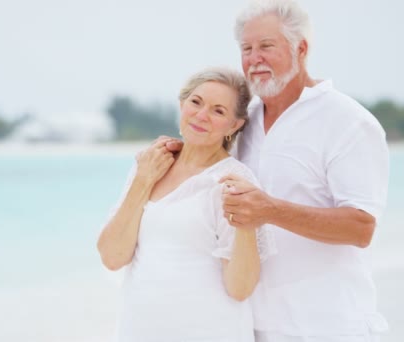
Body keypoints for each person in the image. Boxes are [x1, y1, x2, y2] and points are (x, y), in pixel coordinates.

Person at [163, 0, 390, 341]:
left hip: (328, 327)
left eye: (267, 46)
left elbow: (361, 228)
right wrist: (170, 155)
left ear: (301, 48)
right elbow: (206, 166)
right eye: (247, 48)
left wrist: (269, 210)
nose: (255, 59)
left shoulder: (349, 122)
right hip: (248, 326)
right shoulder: (243, 120)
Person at [97, 67, 276, 342]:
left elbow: (240, 288)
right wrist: (143, 181)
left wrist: (245, 219)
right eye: (196, 102)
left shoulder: (231, 181)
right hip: (140, 331)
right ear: (182, 103)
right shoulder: (151, 163)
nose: (201, 115)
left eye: (218, 111)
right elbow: (112, 257)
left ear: (235, 125)